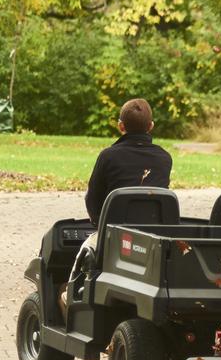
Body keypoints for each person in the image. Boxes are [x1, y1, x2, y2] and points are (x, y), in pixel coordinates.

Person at [67, 98, 174, 306]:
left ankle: (71, 300)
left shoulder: (108, 156)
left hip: (114, 237)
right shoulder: (164, 158)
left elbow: (93, 198)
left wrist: (99, 225)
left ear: (120, 126)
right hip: (153, 239)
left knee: (80, 261)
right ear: (151, 126)